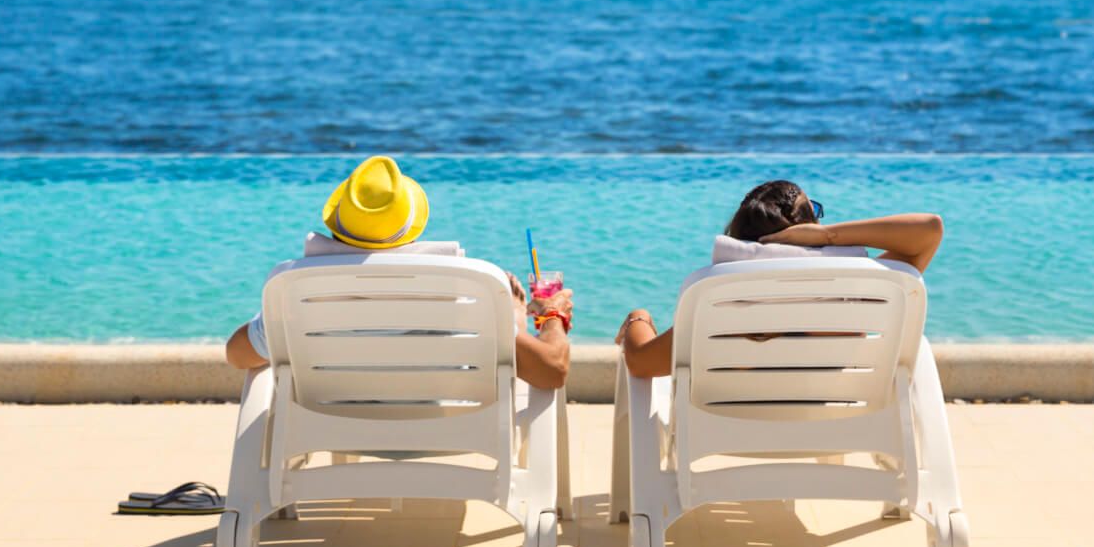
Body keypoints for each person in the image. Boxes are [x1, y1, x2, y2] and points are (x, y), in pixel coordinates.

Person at [225, 155, 572, 388]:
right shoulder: (464, 288)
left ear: (338, 225)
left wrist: (272, 319)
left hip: (333, 423)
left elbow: (237, 355)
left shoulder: (300, 293)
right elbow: (551, 371)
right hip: (453, 426)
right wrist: (538, 315)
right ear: (412, 230)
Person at [617, 179, 942, 378]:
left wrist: (638, 318)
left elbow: (641, 362)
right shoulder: (858, 291)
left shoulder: (721, 300)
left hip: (732, 425)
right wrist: (827, 237)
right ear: (808, 227)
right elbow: (929, 230)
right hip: (838, 418)